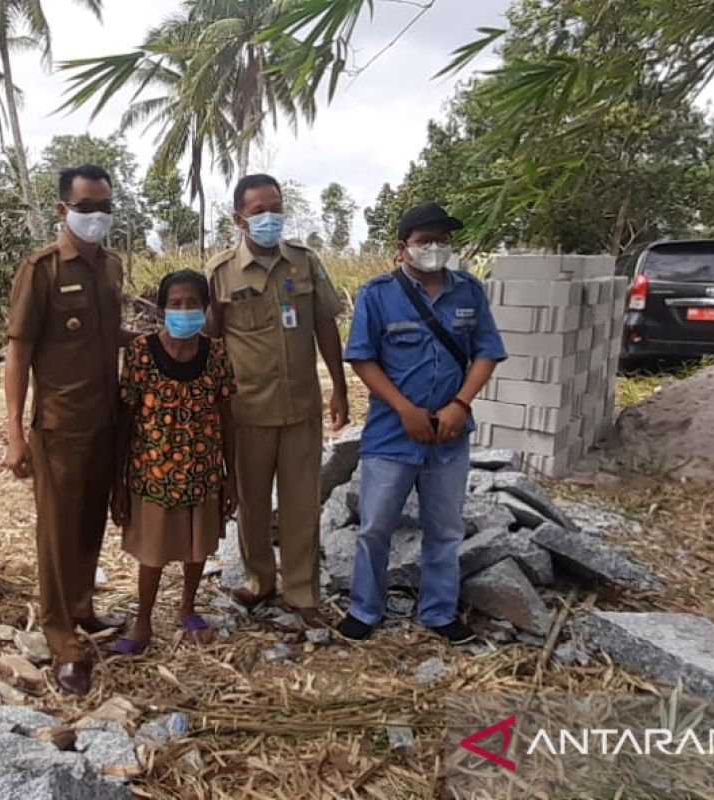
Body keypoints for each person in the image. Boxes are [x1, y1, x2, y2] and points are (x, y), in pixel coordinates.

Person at [336, 202, 507, 644]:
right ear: (403, 247)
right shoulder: (378, 294)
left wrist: (460, 405)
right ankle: (364, 609)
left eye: (442, 240)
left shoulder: (468, 292)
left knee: (445, 529)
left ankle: (438, 612)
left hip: (449, 436)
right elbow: (362, 358)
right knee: (375, 527)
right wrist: (404, 409)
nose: (434, 248)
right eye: (424, 240)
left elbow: (486, 353)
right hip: (393, 434)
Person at [3, 164, 127, 695]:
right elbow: (19, 349)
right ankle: (61, 638)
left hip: (106, 419)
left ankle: (83, 607)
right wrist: (13, 430)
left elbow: (105, 334)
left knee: (90, 522)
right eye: (85, 207)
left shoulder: (112, 267)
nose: (96, 217)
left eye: (104, 207)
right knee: (56, 533)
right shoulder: (43, 269)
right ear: (62, 211)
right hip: (59, 424)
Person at [206, 174, 349, 626]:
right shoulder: (221, 272)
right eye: (258, 211)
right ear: (239, 218)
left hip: (301, 406)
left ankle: (303, 592)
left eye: (275, 207)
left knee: (301, 500)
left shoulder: (304, 264)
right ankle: (258, 580)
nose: (269, 217)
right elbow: (209, 341)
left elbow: (325, 325)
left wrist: (339, 388)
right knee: (250, 501)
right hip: (246, 410)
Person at [109, 270, 238, 653]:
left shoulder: (216, 353)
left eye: (193, 303)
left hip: (203, 471)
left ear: (206, 308)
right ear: (162, 309)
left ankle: (187, 606)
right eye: (176, 304)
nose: (185, 310)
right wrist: (119, 482)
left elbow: (227, 417)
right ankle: (143, 622)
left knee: (198, 547)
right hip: (152, 473)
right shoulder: (140, 354)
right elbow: (125, 420)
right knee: (152, 553)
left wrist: (230, 477)